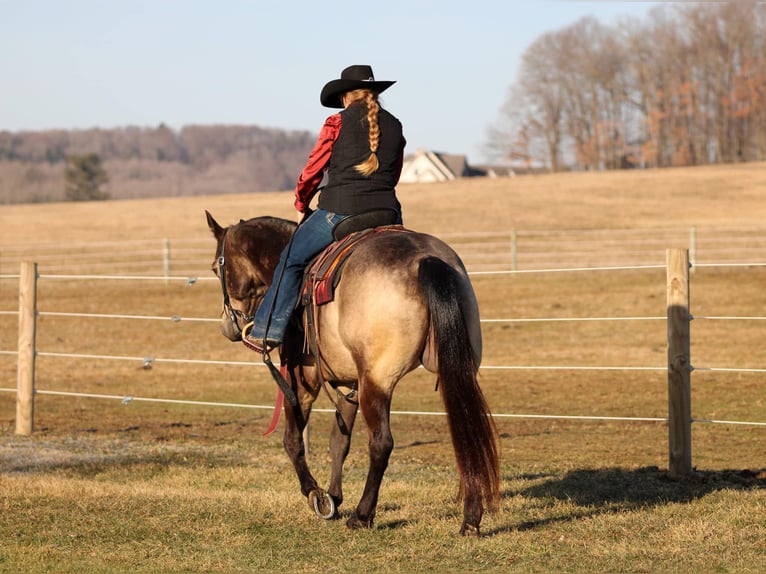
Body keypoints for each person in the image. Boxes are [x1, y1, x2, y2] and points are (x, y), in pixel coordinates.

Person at [244, 64, 406, 353]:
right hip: (388, 212)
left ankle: (268, 329)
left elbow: (313, 170)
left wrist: (301, 203)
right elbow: (394, 173)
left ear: (346, 96)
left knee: (291, 259)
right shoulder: (395, 125)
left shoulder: (336, 123)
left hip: (341, 211)